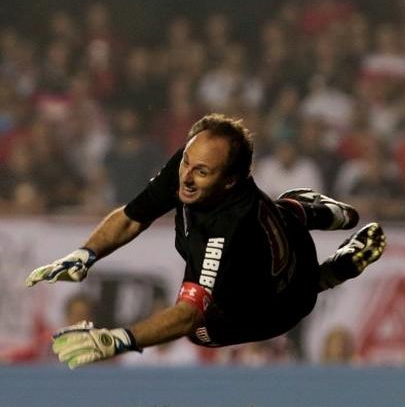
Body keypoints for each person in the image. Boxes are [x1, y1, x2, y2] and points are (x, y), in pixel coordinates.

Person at [25, 113, 386, 368]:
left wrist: (117, 340)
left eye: (202, 172)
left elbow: (186, 316)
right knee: (285, 209)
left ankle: (331, 273)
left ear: (230, 181)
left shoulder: (227, 228)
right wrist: (85, 254)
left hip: (281, 306)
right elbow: (133, 217)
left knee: (199, 331)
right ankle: (324, 212)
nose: (187, 178)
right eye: (186, 162)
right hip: (285, 237)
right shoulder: (189, 166)